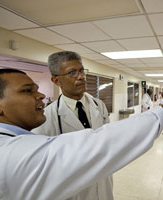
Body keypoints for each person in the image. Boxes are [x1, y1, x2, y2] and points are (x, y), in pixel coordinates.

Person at [0, 68, 163, 200]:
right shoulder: (7, 154)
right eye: (27, 91)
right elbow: (98, 144)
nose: (40, 95)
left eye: (82, 71)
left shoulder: (97, 104)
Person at [31, 51, 111, 200]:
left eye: (81, 71)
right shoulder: (47, 117)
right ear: (56, 81)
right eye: (72, 73)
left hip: (103, 183)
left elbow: (107, 141)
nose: (81, 77)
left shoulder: (98, 105)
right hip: (74, 191)